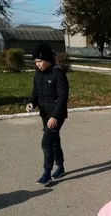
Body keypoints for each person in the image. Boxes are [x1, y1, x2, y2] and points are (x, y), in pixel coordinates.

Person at [26, 43, 69, 185]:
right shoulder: (38, 75)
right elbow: (35, 93)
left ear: (47, 59)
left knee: (46, 142)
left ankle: (47, 173)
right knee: (54, 140)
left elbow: (63, 98)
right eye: (36, 62)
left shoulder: (58, 74)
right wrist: (32, 103)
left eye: (39, 61)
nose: (38, 64)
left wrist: (55, 116)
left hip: (57, 114)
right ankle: (60, 167)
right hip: (45, 114)